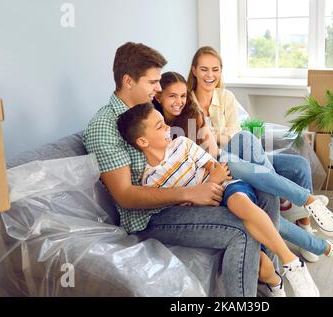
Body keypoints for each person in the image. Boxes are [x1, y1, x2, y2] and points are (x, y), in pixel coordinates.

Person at [82, 42, 281, 297]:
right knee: (243, 228)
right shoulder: (104, 127)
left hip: (185, 188)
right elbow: (125, 195)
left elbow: (181, 140)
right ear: (128, 81)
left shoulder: (146, 107)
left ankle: (270, 275)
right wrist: (189, 193)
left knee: (266, 194)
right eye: (153, 82)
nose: (158, 88)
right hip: (152, 215)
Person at [153, 71, 333, 276]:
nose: (179, 101)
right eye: (172, 96)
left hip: (216, 165)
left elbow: (214, 154)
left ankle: (304, 202)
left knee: (246, 140)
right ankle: (323, 245)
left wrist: (212, 158)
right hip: (209, 182)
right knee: (265, 213)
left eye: (182, 96)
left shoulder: (192, 113)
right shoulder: (154, 128)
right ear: (158, 96)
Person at [117, 103, 321, 297]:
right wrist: (198, 193)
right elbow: (183, 205)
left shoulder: (182, 144)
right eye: (160, 126)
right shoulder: (150, 180)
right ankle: (276, 279)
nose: (168, 127)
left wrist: (211, 181)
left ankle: (291, 261)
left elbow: (216, 168)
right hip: (206, 205)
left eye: (164, 122)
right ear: (143, 141)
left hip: (227, 187)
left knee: (240, 203)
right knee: (252, 239)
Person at [186, 46, 333, 262]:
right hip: (218, 161)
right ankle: (288, 203)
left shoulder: (226, 97)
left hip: (240, 151)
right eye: (204, 69)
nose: (210, 75)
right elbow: (203, 144)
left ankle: (305, 223)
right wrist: (219, 135)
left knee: (299, 164)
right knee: (247, 140)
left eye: (215, 69)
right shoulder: (185, 102)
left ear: (221, 71)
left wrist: (214, 133)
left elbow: (234, 133)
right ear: (194, 70)